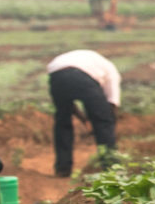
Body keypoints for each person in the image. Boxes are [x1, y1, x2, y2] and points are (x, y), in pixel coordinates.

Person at [47, 49, 121, 177]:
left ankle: (62, 169)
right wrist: (109, 122)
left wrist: (85, 121)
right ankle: (111, 166)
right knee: (104, 123)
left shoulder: (95, 63)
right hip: (81, 75)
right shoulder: (111, 72)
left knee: (63, 121)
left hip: (56, 73)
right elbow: (112, 103)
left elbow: (71, 107)